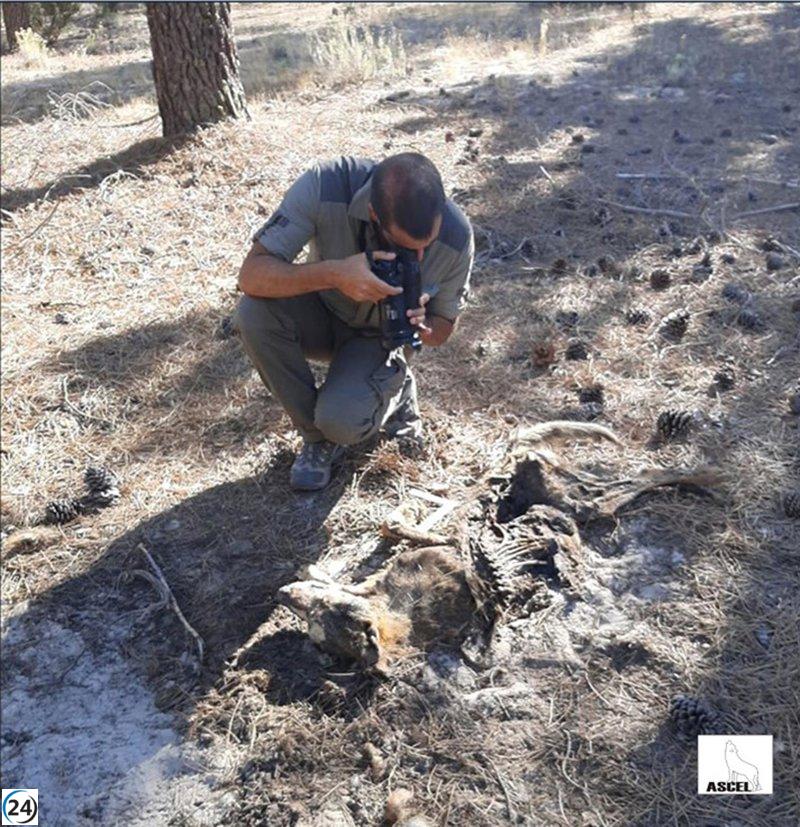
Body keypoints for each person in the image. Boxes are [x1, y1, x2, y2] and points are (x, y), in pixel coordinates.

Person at [234, 153, 474, 491]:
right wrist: (335, 274)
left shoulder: (457, 235)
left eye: (426, 246)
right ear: (374, 215)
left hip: (380, 340)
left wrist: (425, 327)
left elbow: (443, 327)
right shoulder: (325, 185)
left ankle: (394, 388)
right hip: (323, 312)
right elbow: (252, 276)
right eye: (404, 247)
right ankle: (317, 440)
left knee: (342, 422)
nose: (417, 257)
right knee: (253, 314)